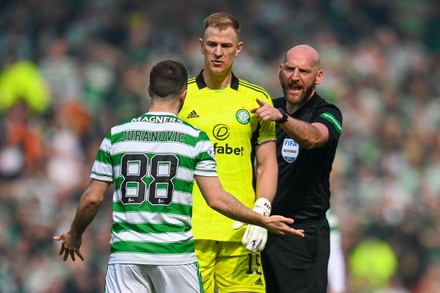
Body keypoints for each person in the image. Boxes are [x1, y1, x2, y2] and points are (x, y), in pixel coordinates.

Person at [53, 60, 304, 293]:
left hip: (127, 253)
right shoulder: (194, 139)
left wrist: (75, 233)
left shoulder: (116, 136)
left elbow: (92, 199)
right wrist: (260, 219)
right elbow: (216, 199)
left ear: (149, 89)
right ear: (184, 94)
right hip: (176, 254)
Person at [178, 12, 282, 293]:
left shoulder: (255, 98)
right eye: (212, 44)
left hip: (241, 230)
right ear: (201, 45)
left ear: (239, 49)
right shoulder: (180, 97)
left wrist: (262, 209)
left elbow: (267, 164)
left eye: (226, 46)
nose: (218, 53)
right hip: (189, 231)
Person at [252, 44, 343, 293]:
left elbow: (314, 138)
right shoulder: (268, 108)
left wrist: (282, 118)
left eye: (304, 71)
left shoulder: (327, 113)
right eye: (290, 69)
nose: (295, 76)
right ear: (280, 71)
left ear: (318, 76)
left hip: (302, 234)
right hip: (261, 226)